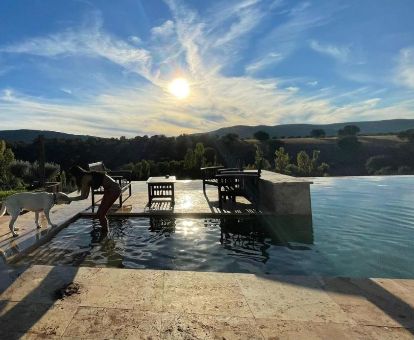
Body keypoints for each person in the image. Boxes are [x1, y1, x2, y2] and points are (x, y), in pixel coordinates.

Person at [69, 165, 121, 232]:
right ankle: (105, 232)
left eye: (71, 176)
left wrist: (70, 199)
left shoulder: (85, 178)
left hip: (113, 190)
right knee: (99, 214)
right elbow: (86, 196)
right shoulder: (86, 176)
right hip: (110, 189)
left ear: (76, 174)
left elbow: (83, 196)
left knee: (101, 214)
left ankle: (106, 233)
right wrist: (71, 199)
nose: (71, 178)